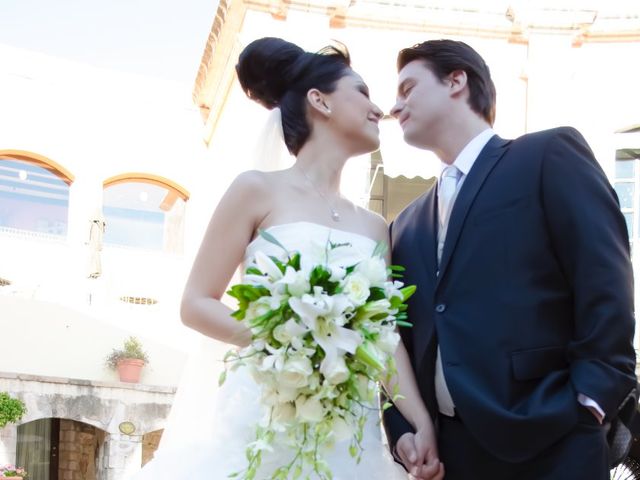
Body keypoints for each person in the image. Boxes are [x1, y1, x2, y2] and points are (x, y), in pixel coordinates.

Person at [133, 37, 439, 479]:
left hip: (348, 429)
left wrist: (420, 420)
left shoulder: (374, 226)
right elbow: (196, 303)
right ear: (320, 101)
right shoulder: (256, 190)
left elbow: (385, 338)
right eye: (362, 93)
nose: (380, 111)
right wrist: (291, 345)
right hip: (267, 410)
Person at [382, 39, 637, 480]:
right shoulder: (404, 224)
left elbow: (604, 275)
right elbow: (397, 336)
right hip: (448, 457)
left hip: (553, 439)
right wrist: (402, 425)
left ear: (456, 80)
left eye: (408, 88)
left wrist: (591, 400)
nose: (394, 106)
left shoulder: (545, 155)